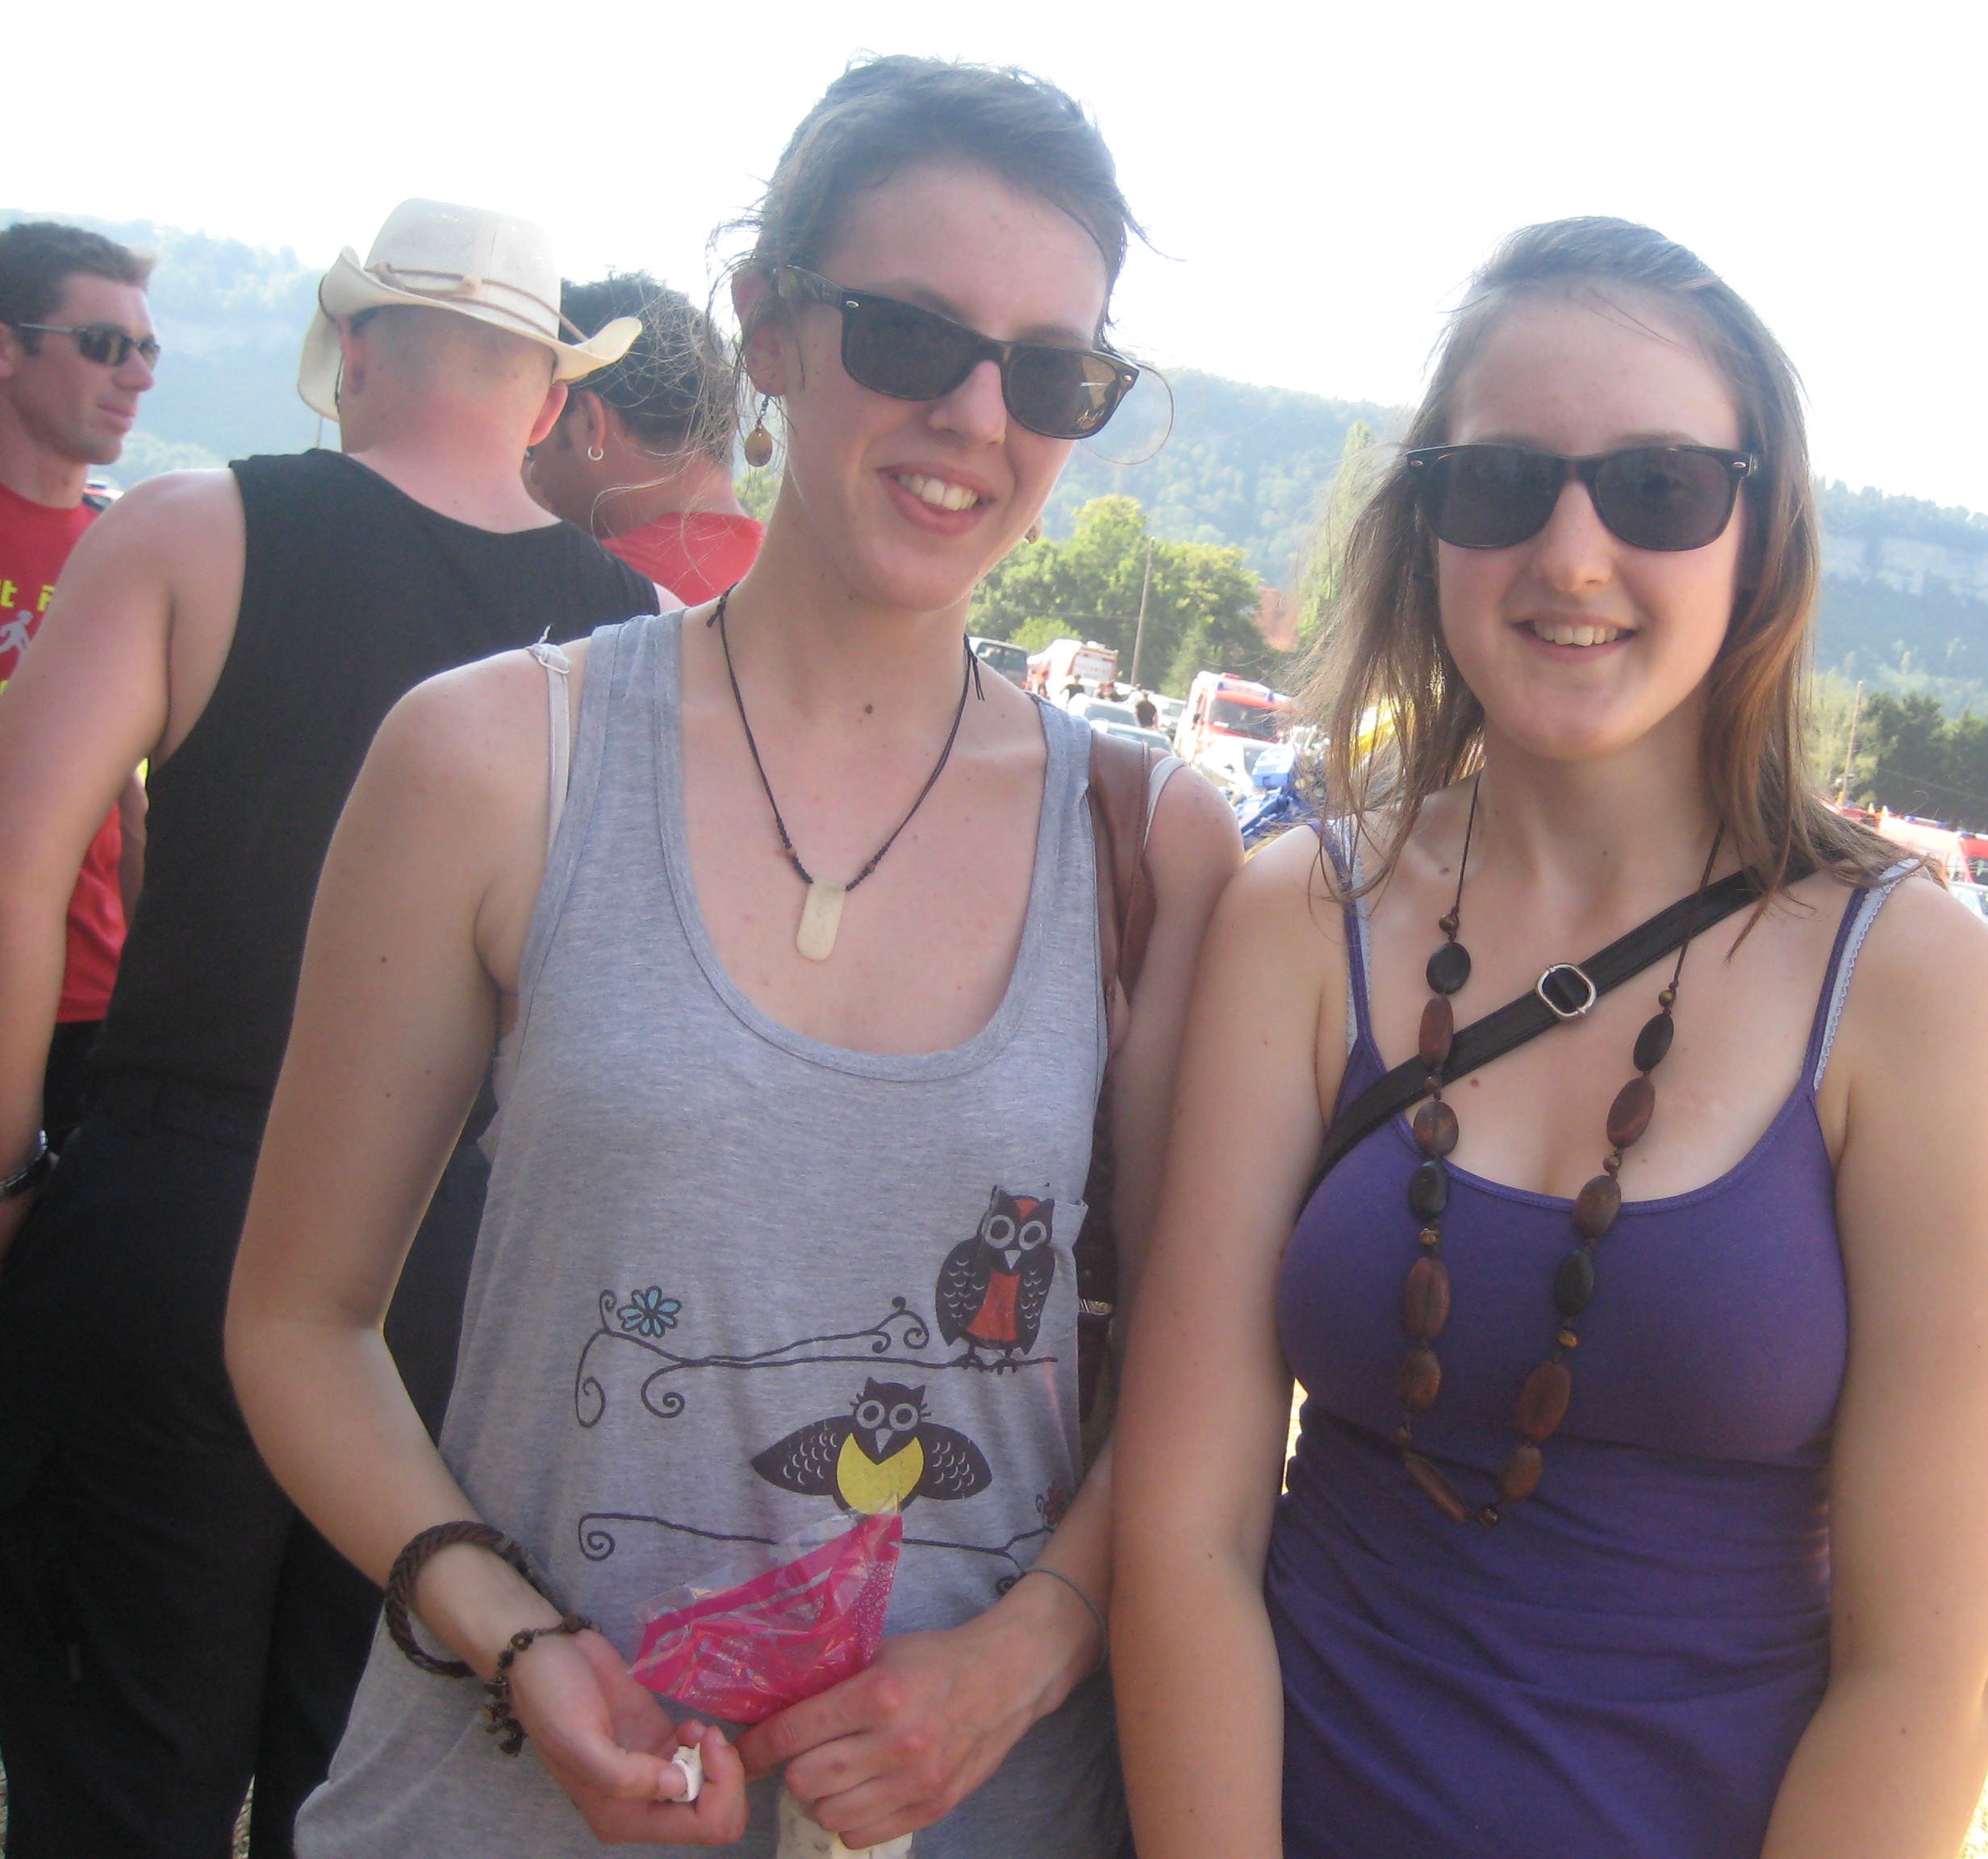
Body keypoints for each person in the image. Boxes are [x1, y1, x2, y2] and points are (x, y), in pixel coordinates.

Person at [226, 56, 1238, 1857]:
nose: (976, 417)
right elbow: (298, 1320)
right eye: (911, 336)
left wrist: (1014, 1662)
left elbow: (1199, 1395)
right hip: (497, 1806)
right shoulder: (494, 760)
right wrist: (514, 1634)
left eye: (1050, 374)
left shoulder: (1152, 845)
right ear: (769, 325)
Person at [1114, 218, 1988, 1859]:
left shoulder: (1909, 980)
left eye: (1659, 488)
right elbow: (1187, 1534)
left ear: (1760, 534)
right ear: (1427, 529)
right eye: (1500, 483)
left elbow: (1927, 1677)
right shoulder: (1302, 912)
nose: (1573, 553)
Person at [0, 198, 658, 1857]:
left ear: (355, 348)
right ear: (547, 396)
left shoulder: (191, 528)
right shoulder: (641, 638)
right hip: (462, 1284)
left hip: (184, 1216)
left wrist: (6, 1172)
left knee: (117, 1773)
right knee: (355, 1789)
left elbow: (15, 871)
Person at [0, 220, 157, 1140]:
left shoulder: (129, 551)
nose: (137, 376)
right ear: (8, 351)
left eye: (146, 349)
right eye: (103, 345)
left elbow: (135, 805)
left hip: (90, 1007)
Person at [525, 271, 764, 603]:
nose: (534, 473)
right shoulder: (802, 572)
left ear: (590, 424)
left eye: (533, 443)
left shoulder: (580, 588)